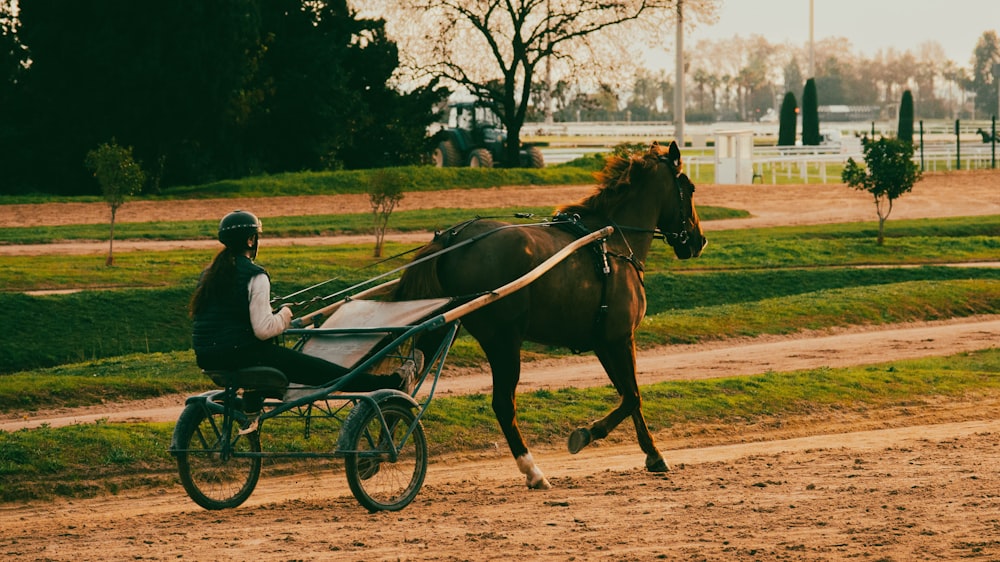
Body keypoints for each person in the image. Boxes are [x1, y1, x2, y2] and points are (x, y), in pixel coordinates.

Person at [190, 210, 418, 406]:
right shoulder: (255, 275)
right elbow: (263, 329)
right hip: (243, 355)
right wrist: (285, 315)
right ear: (251, 241)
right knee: (326, 372)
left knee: (297, 365)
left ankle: (257, 400)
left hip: (208, 357)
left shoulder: (209, 275)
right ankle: (389, 383)